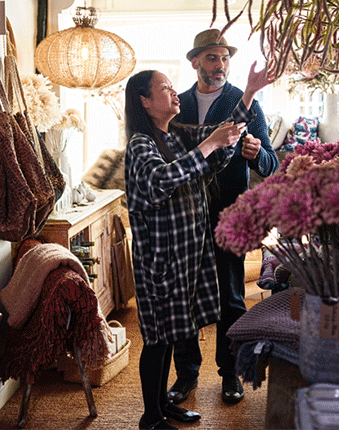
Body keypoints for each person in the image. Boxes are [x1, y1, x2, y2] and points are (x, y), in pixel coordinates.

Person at [124, 66, 275, 430]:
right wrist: (209, 145)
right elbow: (162, 180)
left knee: (171, 334)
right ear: (145, 101)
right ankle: (151, 418)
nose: (174, 92)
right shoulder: (140, 145)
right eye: (164, 88)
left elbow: (221, 140)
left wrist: (249, 94)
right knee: (156, 339)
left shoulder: (174, 136)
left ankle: (163, 405)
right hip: (160, 262)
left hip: (183, 259)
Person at [168, 29, 280, 406]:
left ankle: (230, 373)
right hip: (187, 213)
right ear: (195, 62)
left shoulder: (244, 103)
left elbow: (271, 164)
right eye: (212, 58)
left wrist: (257, 153)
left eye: (225, 58)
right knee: (184, 295)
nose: (220, 65)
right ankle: (186, 375)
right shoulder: (177, 104)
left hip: (229, 213)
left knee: (231, 296)